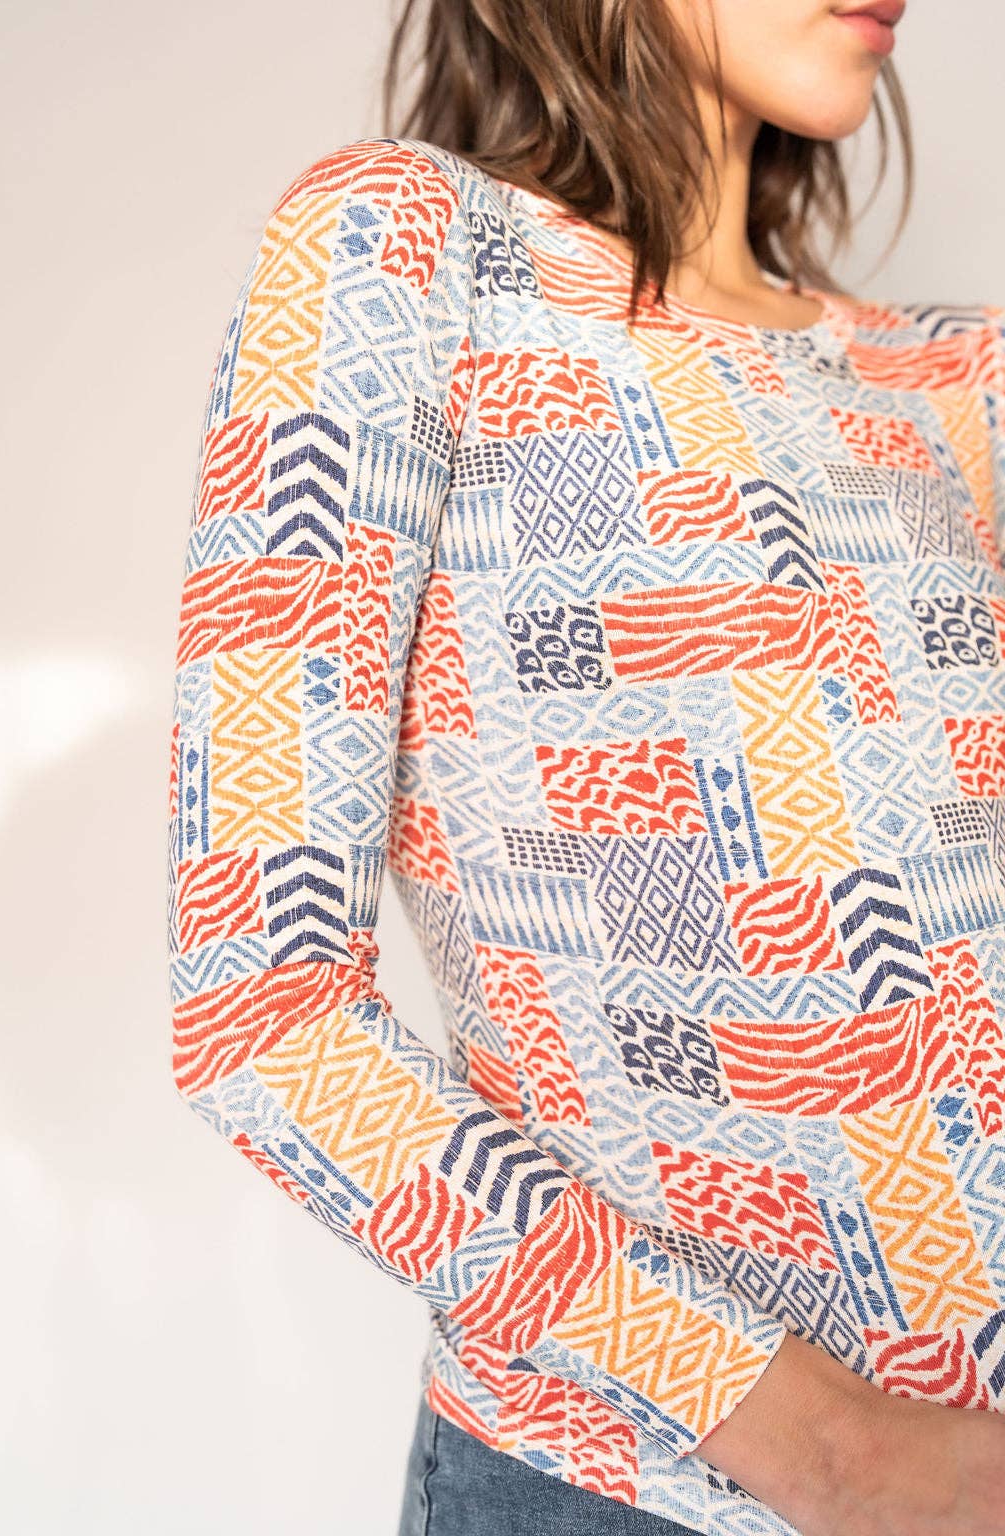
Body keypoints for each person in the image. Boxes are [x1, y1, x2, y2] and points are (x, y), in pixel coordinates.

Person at [166, 0, 1005, 1531]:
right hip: (624, 1486)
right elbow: (262, 1015)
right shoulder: (405, 249)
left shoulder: (960, 376)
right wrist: (844, 1456)